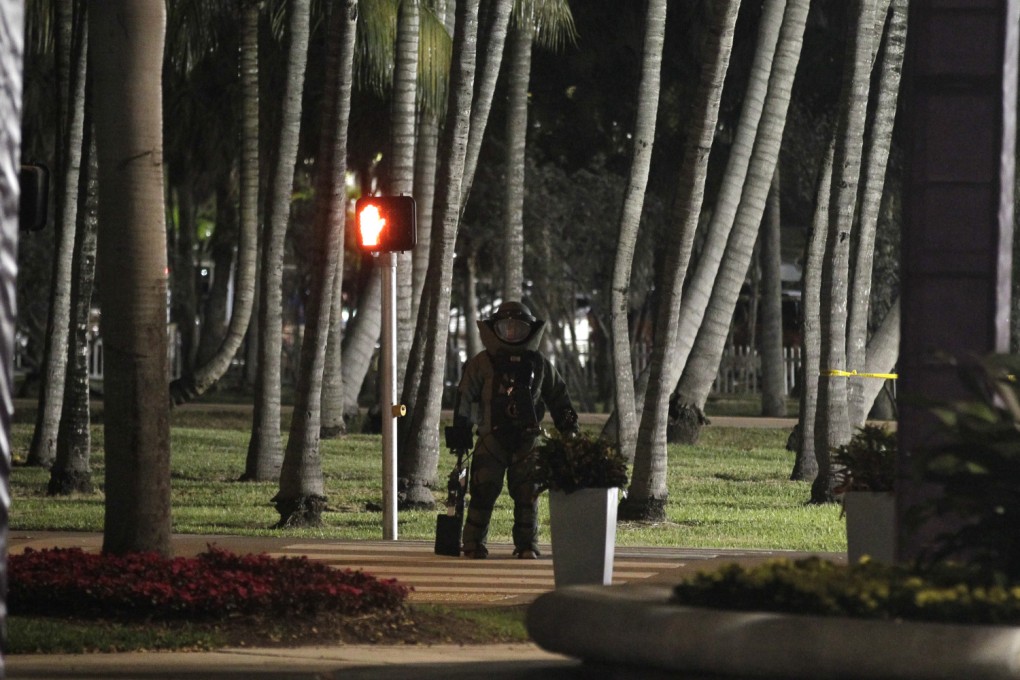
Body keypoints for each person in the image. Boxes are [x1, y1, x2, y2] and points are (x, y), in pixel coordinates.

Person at [448, 301, 579, 559]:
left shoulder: (540, 365)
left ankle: (527, 545)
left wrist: (569, 430)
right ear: (494, 329)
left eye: (517, 328)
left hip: (528, 440)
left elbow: (560, 398)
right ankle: (473, 543)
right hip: (490, 438)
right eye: (506, 328)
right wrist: (461, 433)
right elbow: (463, 397)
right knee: (482, 491)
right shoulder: (481, 363)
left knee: (528, 494)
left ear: (528, 331)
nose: (511, 334)